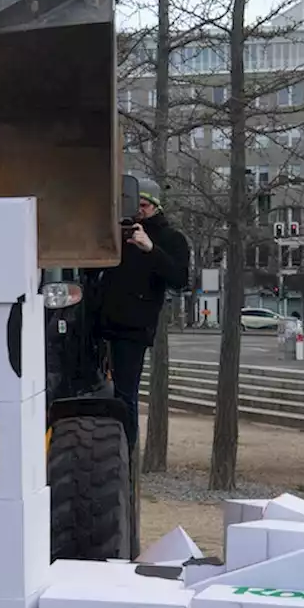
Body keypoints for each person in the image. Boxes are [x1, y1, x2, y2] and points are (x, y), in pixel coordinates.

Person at [97, 187, 191, 452]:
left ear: (156, 207)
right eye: (132, 206)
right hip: (98, 321)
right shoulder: (114, 232)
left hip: (133, 326)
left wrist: (150, 249)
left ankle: (125, 453)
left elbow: (180, 280)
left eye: (144, 206)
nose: (138, 212)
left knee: (126, 393)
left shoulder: (170, 238)